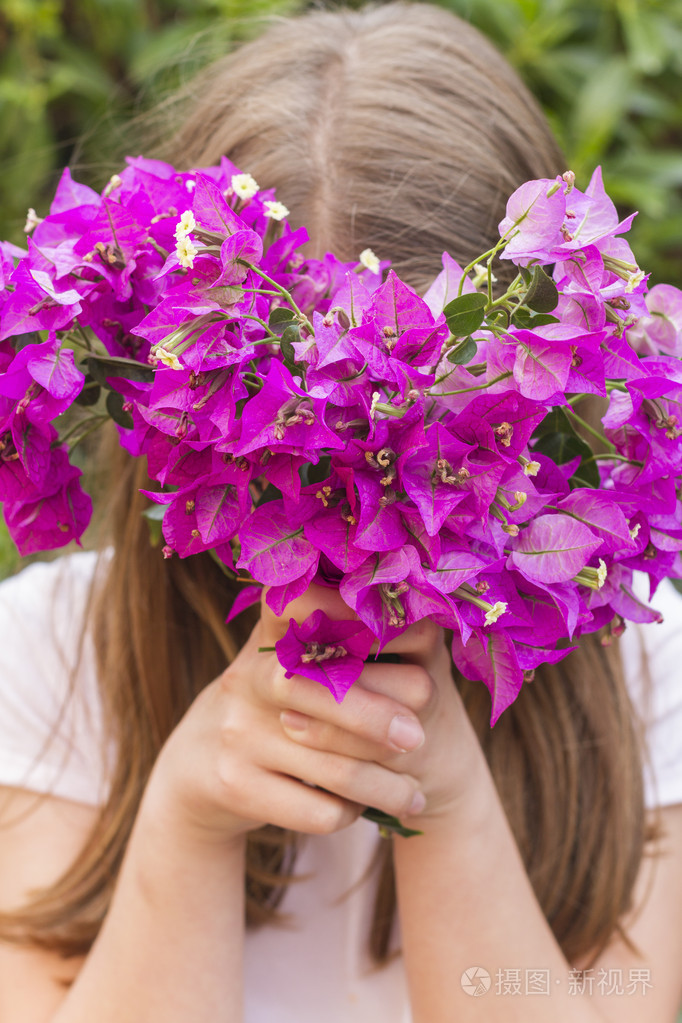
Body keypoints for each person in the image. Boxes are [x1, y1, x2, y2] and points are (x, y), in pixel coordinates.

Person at [1, 3, 682, 1021]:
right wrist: (186, 821)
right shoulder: (49, 665)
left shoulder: (649, 690)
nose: (363, 544)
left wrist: (443, 801)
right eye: (287, 470)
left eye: (420, 466)